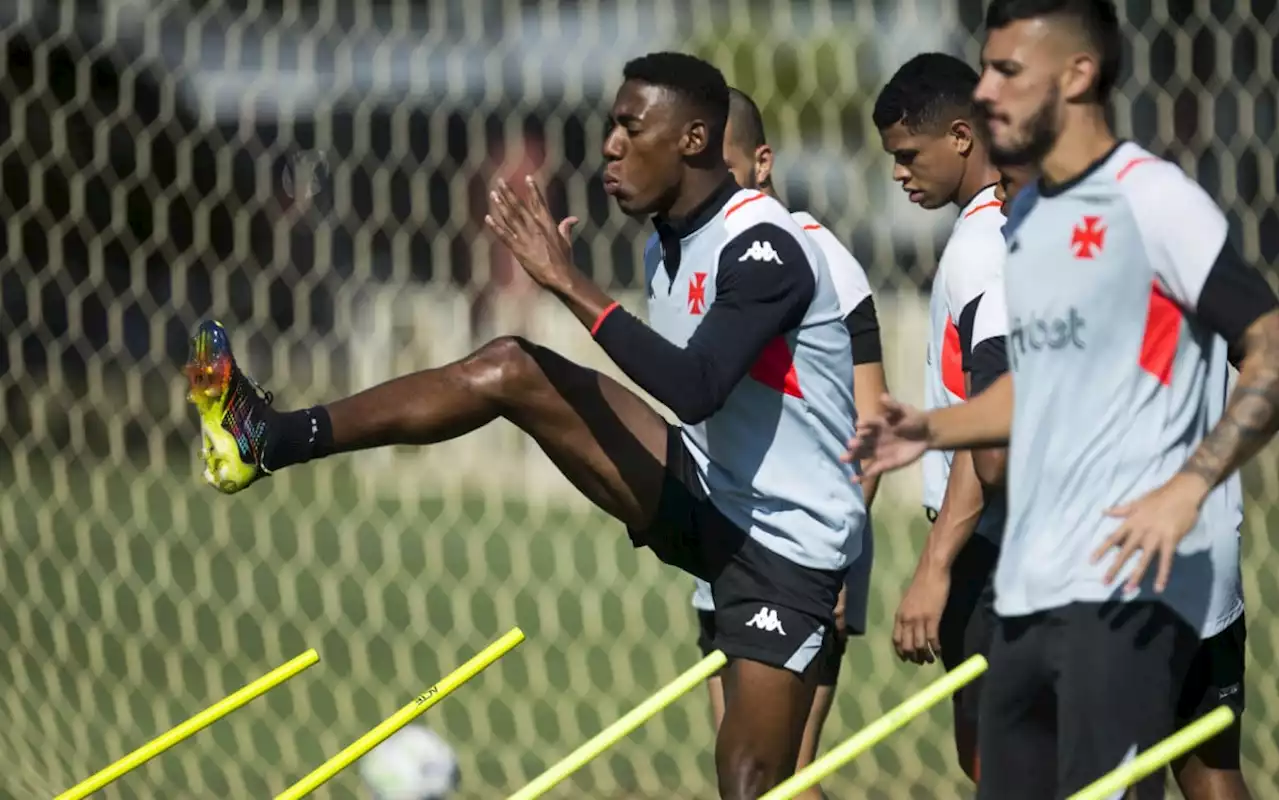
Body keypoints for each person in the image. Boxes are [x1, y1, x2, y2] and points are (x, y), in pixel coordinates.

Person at [186, 52, 864, 800]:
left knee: (756, 784)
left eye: (630, 128)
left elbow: (696, 387)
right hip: (707, 494)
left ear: (694, 139)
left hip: (788, 550)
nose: (609, 144)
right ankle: (269, 438)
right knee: (513, 367)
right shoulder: (664, 244)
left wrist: (568, 282)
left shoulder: (766, 247)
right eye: (611, 125)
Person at [846, 1, 1279, 797]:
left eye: (1008, 70)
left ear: (1077, 77)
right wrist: (932, 429)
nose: (986, 89)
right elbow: (1043, 389)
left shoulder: (1154, 202)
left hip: (1136, 585)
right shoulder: (1035, 222)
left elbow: (1271, 350)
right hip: (1041, 579)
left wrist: (1190, 486)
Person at [988, 161, 1253, 800]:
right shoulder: (1184, 260)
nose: (998, 204)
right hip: (1209, 556)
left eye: (1008, 183)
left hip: (1124, 567)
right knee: (1212, 770)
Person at [688, 86, 888, 800]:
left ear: (762, 161)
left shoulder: (824, 260)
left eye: (721, 165)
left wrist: (834, 555)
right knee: (739, 777)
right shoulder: (703, 257)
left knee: (788, 777)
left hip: (806, 546)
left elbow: (872, 428)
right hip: (726, 540)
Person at [871, 52, 1010, 784]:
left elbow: (992, 424)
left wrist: (935, 569)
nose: (899, 174)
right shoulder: (993, 234)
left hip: (991, 548)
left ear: (962, 135)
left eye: (907, 155)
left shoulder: (981, 250)